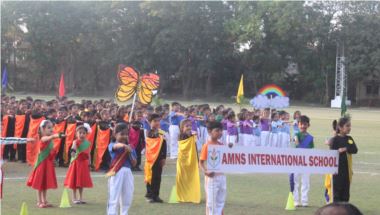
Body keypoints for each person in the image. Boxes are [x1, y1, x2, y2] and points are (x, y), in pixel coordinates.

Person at [26, 120, 64, 208]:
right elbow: (47, 139)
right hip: (41, 164)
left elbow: (50, 151)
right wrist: (56, 135)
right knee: (40, 182)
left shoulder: (50, 140)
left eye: (52, 127)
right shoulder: (43, 138)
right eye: (49, 127)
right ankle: (39, 201)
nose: (51, 129)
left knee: (45, 183)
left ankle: (44, 200)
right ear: (42, 129)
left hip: (48, 164)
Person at [106, 123, 137, 215]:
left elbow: (134, 163)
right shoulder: (112, 144)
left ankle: (124, 213)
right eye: (121, 134)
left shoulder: (131, 147)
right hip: (117, 172)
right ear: (115, 135)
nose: (124, 136)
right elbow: (115, 146)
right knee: (114, 196)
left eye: (126, 134)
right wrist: (124, 146)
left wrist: (129, 152)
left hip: (128, 172)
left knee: (127, 196)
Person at [199, 121, 226, 215]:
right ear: (210, 131)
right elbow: (201, 162)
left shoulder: (222, 146)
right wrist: (205, 171)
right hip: (211, 177)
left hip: (222, 176)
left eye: (221, 130)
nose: (220, 133)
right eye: (217, 131)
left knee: (220, 201)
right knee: (211, 203)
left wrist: (231, 148)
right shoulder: (206, 146)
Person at [330, 116, 358, 202]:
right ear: (340, 127)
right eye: (347, 126)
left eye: (350, 126)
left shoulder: (349, 139)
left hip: (347, 172)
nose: (349, 128)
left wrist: (345, 149)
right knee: (337, 193)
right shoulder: (335, 140)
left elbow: (355, 150)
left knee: (346, 194)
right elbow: (331, 154)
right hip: (336, 172)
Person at [64, 124, 93, 204]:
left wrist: (89, 164)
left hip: (84, 164)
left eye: (83, 133)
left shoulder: (87, 143)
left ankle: (80, 198)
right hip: (76, 163)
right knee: (75, 181)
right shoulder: (75, 141)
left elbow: (89, 154)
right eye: (80, 133)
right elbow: (73, 147)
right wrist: (72, 151)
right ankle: (74, 198)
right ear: (76, 134)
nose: (82, 135)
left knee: (81, 181)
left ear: (86, 134)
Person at [176, 119, 201, 203]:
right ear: (182, 127)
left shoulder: (192, 136)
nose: (189, 128)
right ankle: (182, 195)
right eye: (187, 126)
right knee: (182, 178)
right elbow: (184, 146)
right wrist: (192, 136)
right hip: (182, 161)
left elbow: (194, 149)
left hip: (192, 160)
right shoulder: (181, 136)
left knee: (191, 178)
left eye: (190, 126)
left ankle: (191, 195)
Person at [144, 113, 167, 203]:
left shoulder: (161, 133)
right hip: (150, 159)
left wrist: (163, 157)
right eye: (155, 121)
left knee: (157, 177)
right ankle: (149, 195)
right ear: (150, 123)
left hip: (159, 159)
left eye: (158, 121)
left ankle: (156, 195)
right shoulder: (149, 133)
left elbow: (164, 146)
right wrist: (158, 135)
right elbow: (151, 141)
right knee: (150, 177)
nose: (157, 123)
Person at [292, 115, 314, 207]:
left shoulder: (310, 137)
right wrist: (296, 140)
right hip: (296, 161)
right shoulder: (296, 135)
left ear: (308, 125)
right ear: (298, 125)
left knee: (306, 182)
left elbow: (312, 149)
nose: (303, 126)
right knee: (295, 181)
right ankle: (296, 201)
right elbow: (297, 145)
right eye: (301, 124)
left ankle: (304, 201)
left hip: (307, 162)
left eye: (305, 124)